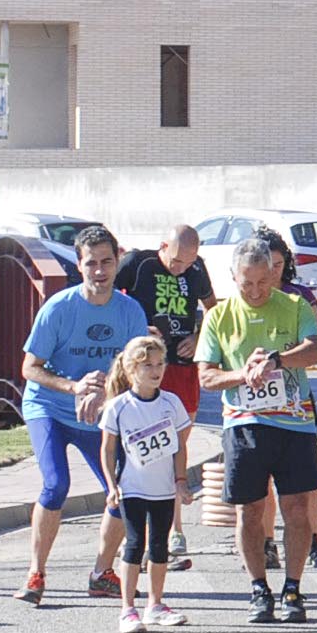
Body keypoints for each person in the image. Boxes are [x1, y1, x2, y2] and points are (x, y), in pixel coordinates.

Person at [197, 233, 317, 625]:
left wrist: (276, 361)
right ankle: (258, 588)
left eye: (263, 281)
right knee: (249, 511)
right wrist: (242, 375)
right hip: (244, 425)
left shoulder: (293, 305)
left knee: (296, 510)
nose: (255, 290)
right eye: (247, 282)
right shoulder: (218, 317)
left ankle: (292, 586)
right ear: (233, 277)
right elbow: (206, 377)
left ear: (274, 274)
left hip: (294, 423)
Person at [14, 226, 148, 606]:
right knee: (56, 484)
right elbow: (29, 368)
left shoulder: (129, 311)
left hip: (99, 412)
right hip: (51, 407)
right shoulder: (59, 307)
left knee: (122, 491)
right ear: (79, 264)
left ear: (117, 261)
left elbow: (137, 369)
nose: (100, 271)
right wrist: (74, 387)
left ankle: (102, 572)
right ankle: (36, 572)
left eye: (107, 262)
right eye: (92, 263)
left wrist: (106, 392)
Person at [113, 224, 213, 557]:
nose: (180, 268)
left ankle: (175, 528)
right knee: (144, 448)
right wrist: (137, 329)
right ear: (163, 246)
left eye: (187, 263)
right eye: (175, 261)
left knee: (176, 445)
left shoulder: (196, 269)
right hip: (146, 365)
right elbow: (109, 301)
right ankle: (142, 530)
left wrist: (198, 338)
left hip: (182, 367)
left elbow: (214, 311)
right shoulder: (137, 264)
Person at [97, 336, 191, 633]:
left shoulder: (171, 403)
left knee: (160, 546)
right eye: (147, 365)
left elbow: (179, 446)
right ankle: (127, 609)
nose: (155, 371)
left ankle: (155, 604)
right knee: (135, 544)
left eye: (159, 364)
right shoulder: (118, 407)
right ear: (130, 370)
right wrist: (112, 486)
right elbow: (108, 449)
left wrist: (181, 481)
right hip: (132, 488)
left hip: (163, 488)